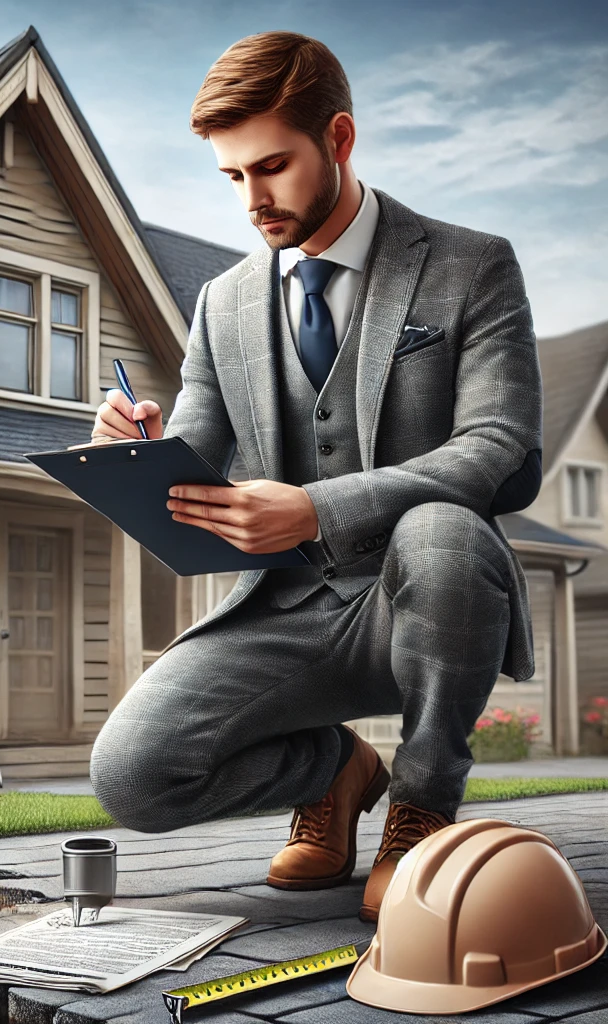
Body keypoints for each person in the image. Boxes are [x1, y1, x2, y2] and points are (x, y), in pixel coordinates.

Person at [87, 30, 542, 922]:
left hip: (430, 594)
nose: (253, 200)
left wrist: (314, 509)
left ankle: (422, 803)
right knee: (132, 777)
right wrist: (136, 448)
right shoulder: (223, 301)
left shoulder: (470, 264)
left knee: (444, 526)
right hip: (288, 611)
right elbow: (195, 457)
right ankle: (336, 772)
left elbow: (499, 452)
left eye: (272, 167)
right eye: (232, 177)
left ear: (338, 139)